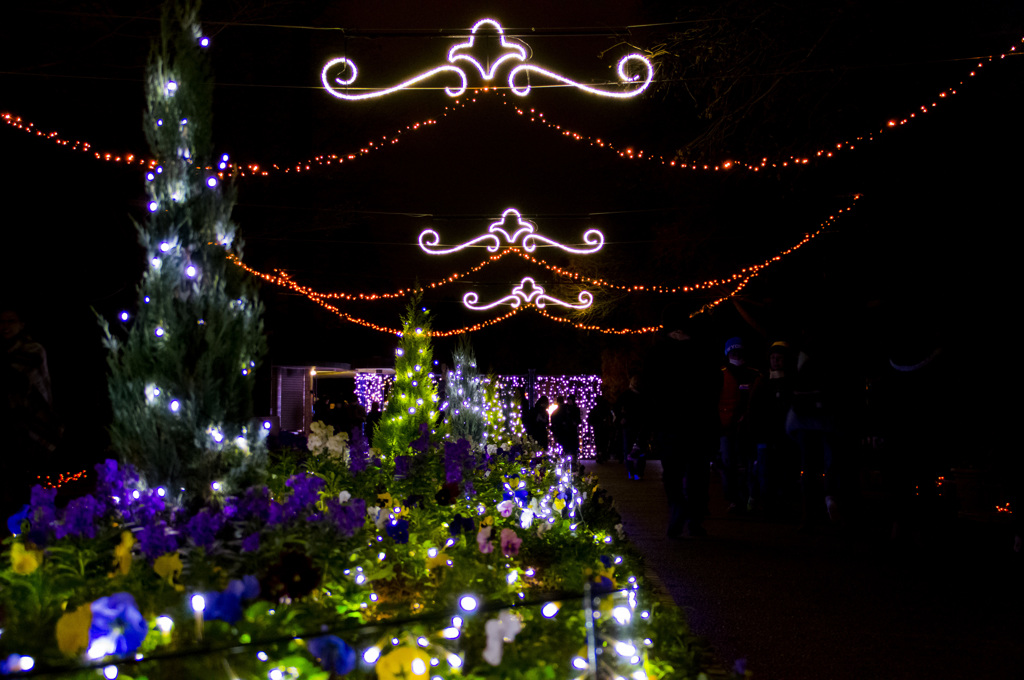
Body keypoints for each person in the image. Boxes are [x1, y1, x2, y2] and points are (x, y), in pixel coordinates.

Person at [644, 308, 721, 538]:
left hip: (669, 422)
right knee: (698, 472)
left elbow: (649, 389)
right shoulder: (703, 351)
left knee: (672, 471)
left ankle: (677, 506)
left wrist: (653, 420)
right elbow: (715, 385)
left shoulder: (657, 352)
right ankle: (695, 518)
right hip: (698, 422)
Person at [1, 307, 59, 510]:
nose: (6, 326)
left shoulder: (32, 350)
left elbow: (19, 380)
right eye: (2, 322)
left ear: (21, 324)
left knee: (32, 488)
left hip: (31, 427)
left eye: (11, 321)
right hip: (9, 429)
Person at [751, 341, 798, 516]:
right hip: (766, 435)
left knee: (785, 471)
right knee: (766, 471)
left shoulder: (792, 382)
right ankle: (768, 504)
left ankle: (782, 502)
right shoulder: (762, 382)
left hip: (785, 436)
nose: (775, 361)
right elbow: (754, 409)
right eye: (772, 358)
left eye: (779, 358)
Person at [717, 337, 762, 513]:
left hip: (749, 427)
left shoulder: (754, 374)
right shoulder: (721, 375)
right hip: (727, 427)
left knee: (749, 463)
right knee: (729, 463)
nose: (736, 355)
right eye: (733, 351)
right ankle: (735, 499)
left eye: (739, 351)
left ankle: (750, 497)